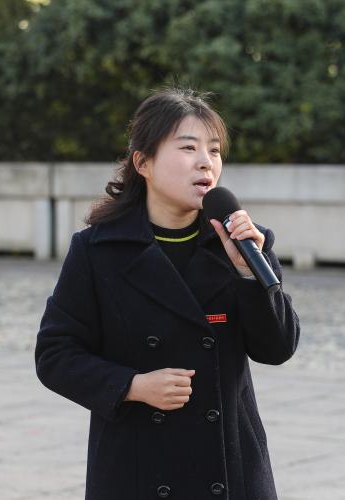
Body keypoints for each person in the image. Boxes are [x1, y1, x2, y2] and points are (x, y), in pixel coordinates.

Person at [35, 88, 300, 500]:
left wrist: (250, 275)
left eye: (214, 150)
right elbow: (54, 355)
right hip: (138, 466)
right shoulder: (98, 250)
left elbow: (277, 347)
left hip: (230, 470)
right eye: (188, 147)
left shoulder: (244, 243)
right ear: (143, 162)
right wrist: (132, 386)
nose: (205, 162)